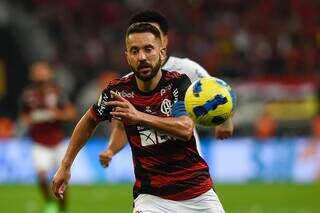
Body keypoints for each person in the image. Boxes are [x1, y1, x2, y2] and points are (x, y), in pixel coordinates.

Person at [52, 23, 225, 212]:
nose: (141, 57)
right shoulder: (118, 91)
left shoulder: (178, 83)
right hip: (152, 198)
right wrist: (65, 165)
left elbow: (184, 128)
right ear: (127, 57)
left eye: (148, 49)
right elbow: (89, 120)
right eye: (134, 51)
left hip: (198, 194)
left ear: (162, 52)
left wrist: (139, 116)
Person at [99, 10, 234, 168]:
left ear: (164, 41)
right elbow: (121, 127)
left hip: (190, 169)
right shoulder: (128, 84)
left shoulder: (186, 68)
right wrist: (110, 150)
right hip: (152, 174)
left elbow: (219, 92)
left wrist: (225, 121)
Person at [20, 62, 77, 213]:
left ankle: (62, 208)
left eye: (42, 73)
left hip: (58, 142)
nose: (40, 77)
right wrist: (32, 119)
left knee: (62, 180)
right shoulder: (28, 95)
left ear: (49, 75)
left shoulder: (58, 93)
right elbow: (24, 116)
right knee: (41, 176)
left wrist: (57, 114)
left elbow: (71, 113)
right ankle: (48, 202)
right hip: (39, 143)